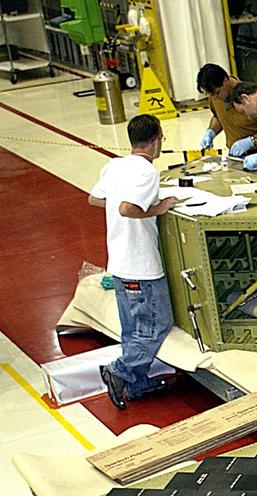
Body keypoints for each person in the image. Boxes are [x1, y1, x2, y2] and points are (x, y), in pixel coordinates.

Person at [88, 114, 178, 409]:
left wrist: (122, 202)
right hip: (141, 264)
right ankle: (120, 371)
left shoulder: (115, 165)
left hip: (118, 262)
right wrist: (158, 207)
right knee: (156, 323)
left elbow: (96, 199)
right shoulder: (147, 172)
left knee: (133, 328)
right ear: (155, 141)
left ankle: (138, 384)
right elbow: (128, 208)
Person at [195, 63, 257, 153]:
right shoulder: (215, 97)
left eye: (217, 93)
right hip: (234, 154)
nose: (214, 98)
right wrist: (211, 132)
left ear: (225, 80)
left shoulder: (251, 98)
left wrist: (252, 141)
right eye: (210, 95)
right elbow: (219, 117)